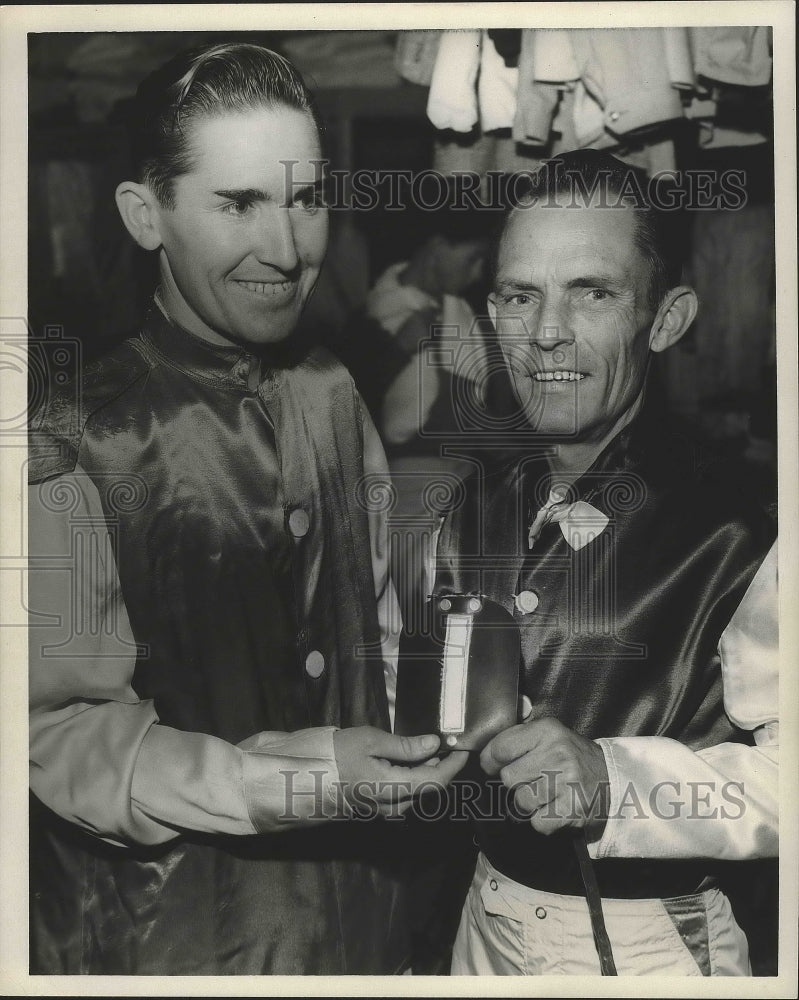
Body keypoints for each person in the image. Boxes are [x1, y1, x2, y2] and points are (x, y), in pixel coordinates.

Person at [27, 41, 465, 976]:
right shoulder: (75, 436)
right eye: (238, 204)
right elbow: (52, 735)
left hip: (364, 927)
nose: (287, 249)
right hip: (175, 946)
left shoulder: (332, 390)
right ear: (146, 215)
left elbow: (376, 622)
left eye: (306, 200)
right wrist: (297, 782)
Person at [428, 149, 778, 976]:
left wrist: (611, 779)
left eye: (592, 292)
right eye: (521, 295)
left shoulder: (743, 530)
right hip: (480, 916)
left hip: (645, 944)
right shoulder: (471, 503)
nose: (546, 331)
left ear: (665, 319)